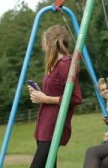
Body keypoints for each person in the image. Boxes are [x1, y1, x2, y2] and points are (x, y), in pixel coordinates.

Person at [28, 25, 82, 168]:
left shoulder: (66, 64)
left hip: (54, 124)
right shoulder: (55, 65)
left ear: (49, 42)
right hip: (44, 122)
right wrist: (40, 94)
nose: (43, 46)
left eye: (44, 42)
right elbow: (55, 92)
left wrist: (45, 99)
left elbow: (76, 98)